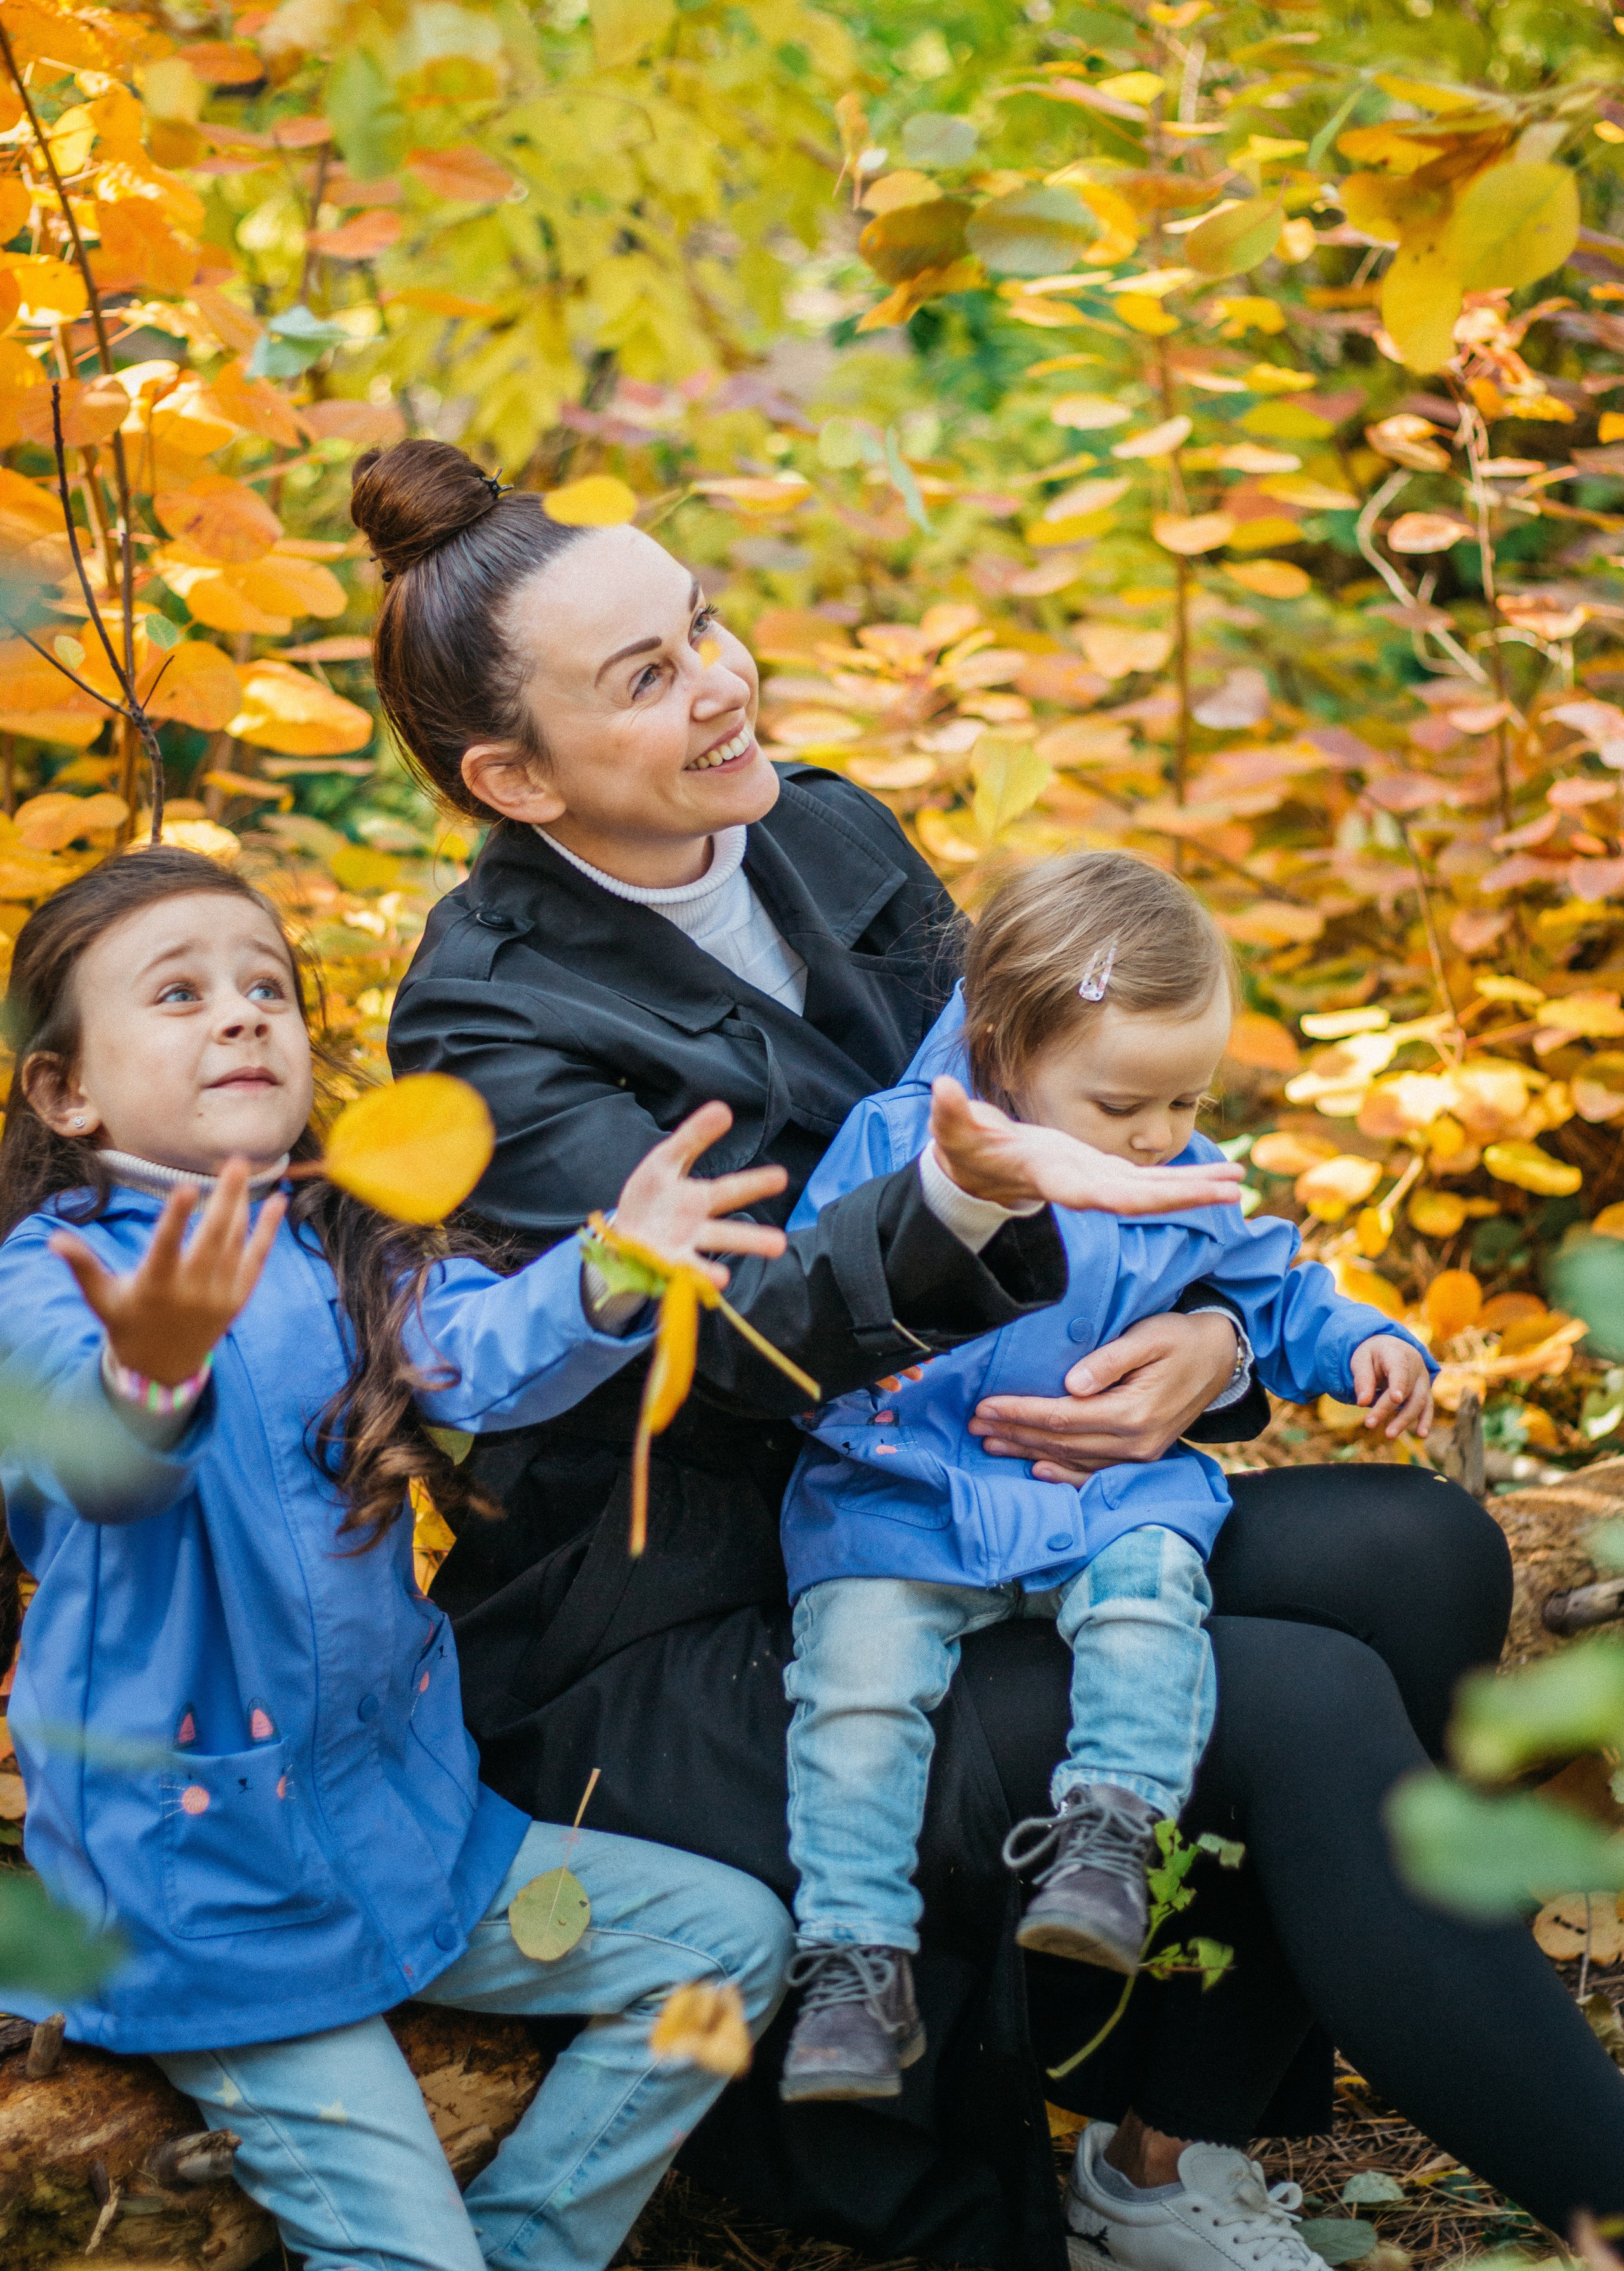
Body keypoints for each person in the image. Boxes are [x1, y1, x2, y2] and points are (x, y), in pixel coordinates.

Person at [370, 438, 1624, 2263]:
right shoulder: (490, 1011)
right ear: (513, 776)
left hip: (965, 1461)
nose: (719, 680)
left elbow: (1073, 1106)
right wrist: (956, 1207)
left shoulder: (825, 831)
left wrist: (1210, 1333)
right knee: (1292, 1703)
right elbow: (710, 1356)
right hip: (694, 1613)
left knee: (1414, 1551)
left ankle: (1159, 2156)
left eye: (701, 624)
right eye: (643, 676)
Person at [0, 847, 802, 2271]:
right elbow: (90, 1472)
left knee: (729, 1945)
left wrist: (614, 1263)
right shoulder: (50, 1282)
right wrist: (153, 1372)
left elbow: (482, 1350)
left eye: (267, 988)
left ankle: (528, 2242)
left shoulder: (335, 1242)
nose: (242, 1014)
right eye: (179, 994)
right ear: (67, 1092)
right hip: (211, 1897)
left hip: (412, 1836)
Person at [775, 852, 1435, 2104]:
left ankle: (1109, 1839)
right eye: (1123, 1102)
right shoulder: (898, 1146)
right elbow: (813, 1302)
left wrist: (1367, 1343)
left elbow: (1276, 1289)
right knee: (854, 1697)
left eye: (1186, 1098)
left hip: (1097, 1500)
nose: (1156, 1134)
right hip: (901, 1499)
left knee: (1150, 1602)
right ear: (1004, 1050)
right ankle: (855, 1960)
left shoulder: (1180, 1174)